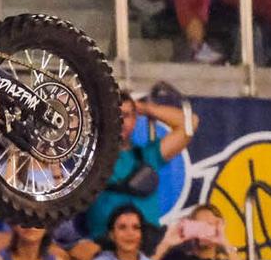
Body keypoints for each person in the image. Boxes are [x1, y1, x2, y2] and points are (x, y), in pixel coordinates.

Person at [83, 87, 193, 245]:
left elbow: (190, 124)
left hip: (147, 244)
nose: (120, 121)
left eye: (126, 115)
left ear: (135, 119)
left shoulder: (149, 155)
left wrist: (146, 108)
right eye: (114, 115)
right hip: (105, 243)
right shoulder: (88, 154)